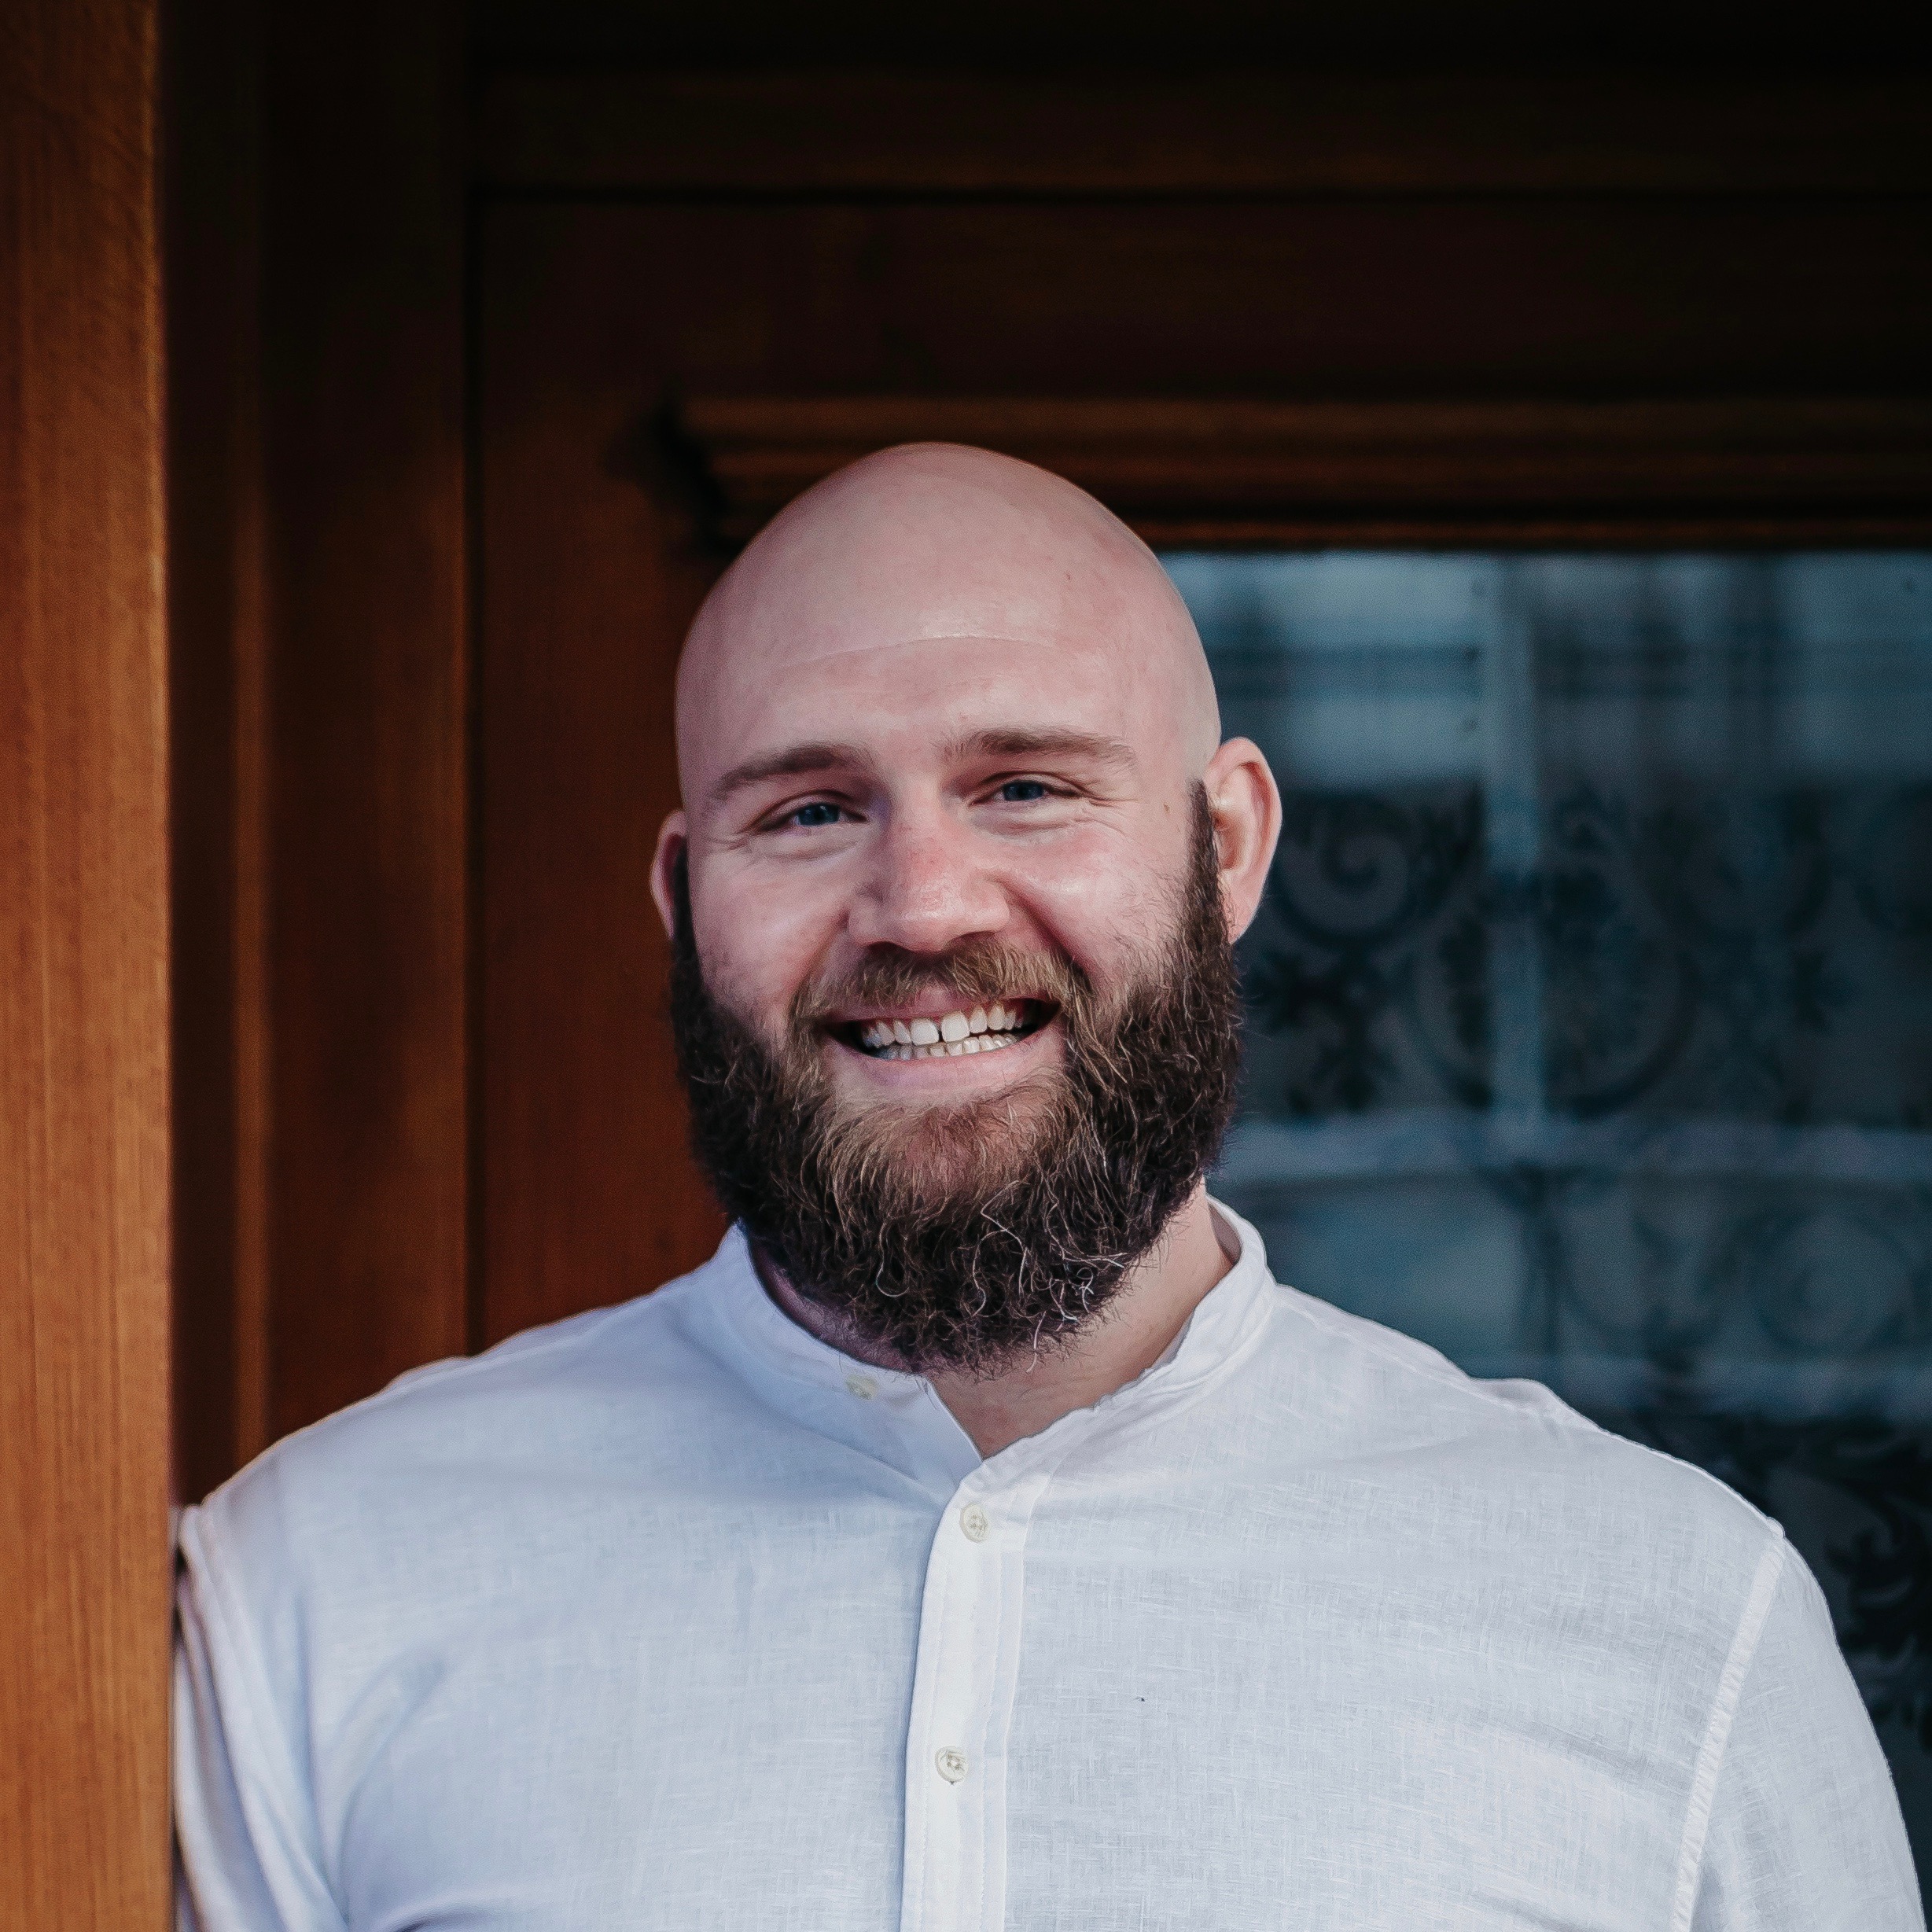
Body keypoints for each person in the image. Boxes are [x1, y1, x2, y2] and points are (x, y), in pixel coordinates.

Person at [174, 444, 1921, 1931]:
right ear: (682, 891)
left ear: (1222, 845)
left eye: (1024, 785)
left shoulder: (1670, 1616)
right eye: (805, 811)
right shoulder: (321, 1580)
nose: (921, 903)